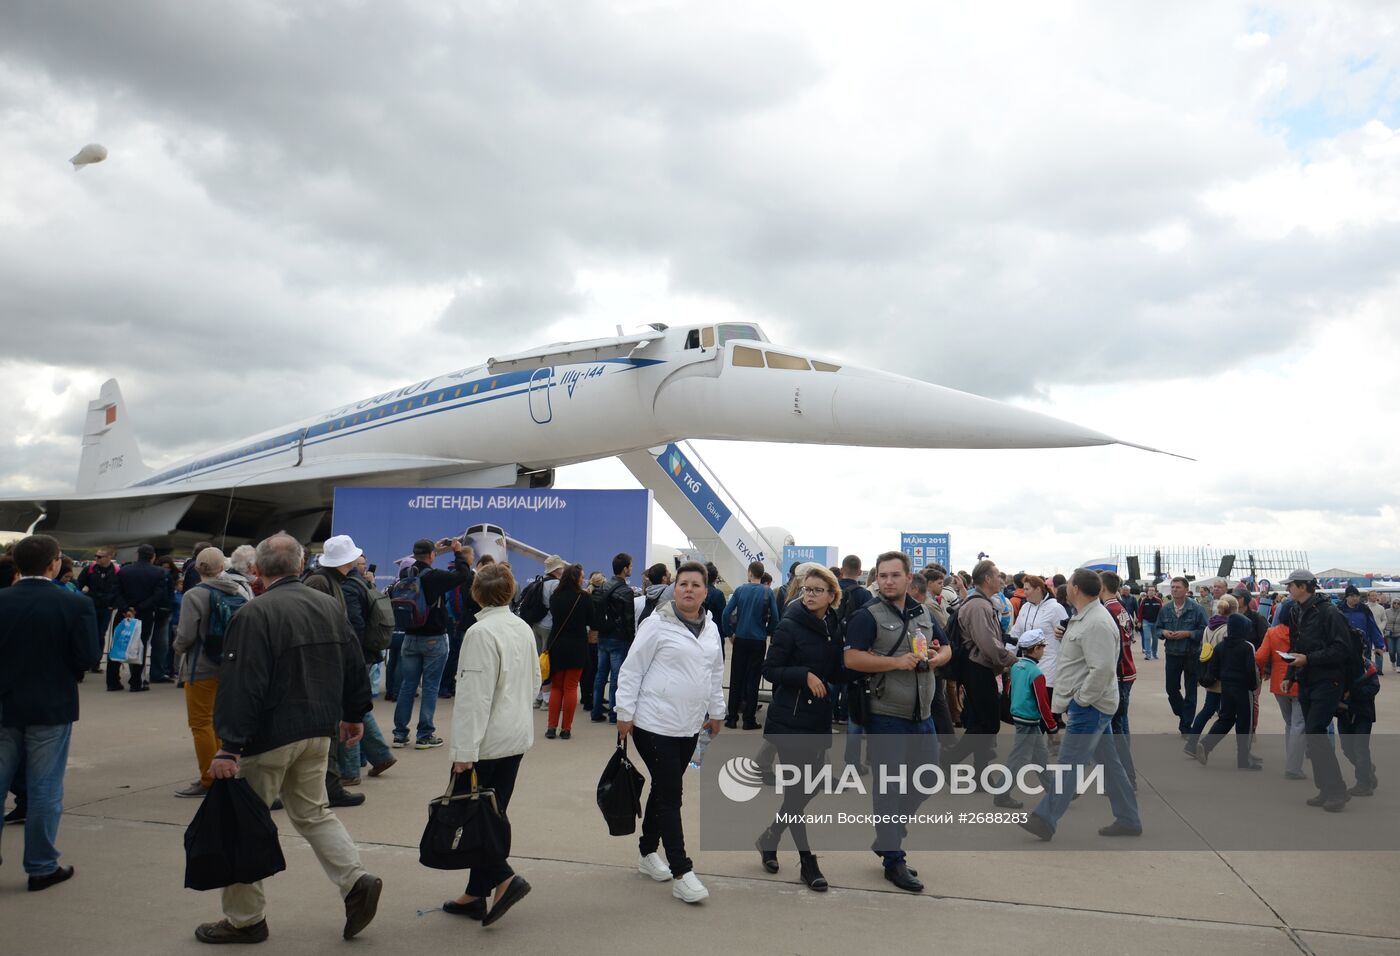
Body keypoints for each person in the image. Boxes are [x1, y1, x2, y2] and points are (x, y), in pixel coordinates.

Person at [198, 533, 380, 944]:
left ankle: (246, 920)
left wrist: (228, 745)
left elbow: (242, 684)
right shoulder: (329, 607)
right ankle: (355, 880)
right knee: (313, 812)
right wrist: (354, 716)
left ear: (257, 571)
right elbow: (354, 663)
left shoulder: (254, 614)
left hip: (269, 737)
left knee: (244, 825)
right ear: (300, 567)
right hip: (318, 731)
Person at [616, 561, 725, 904]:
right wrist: (624, 712)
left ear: (706, 592)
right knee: (671, 793)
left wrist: (717, 712)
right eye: (683, 584)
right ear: (673, 589)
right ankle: (682, 871)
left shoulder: (711, 628)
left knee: (664, 790)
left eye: (696, 584)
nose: (689, 589)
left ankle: (648, 852)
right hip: (652, 723)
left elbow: (714, 672)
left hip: (689, 725)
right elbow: (632, 669)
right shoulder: (656, 625)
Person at [843, 551, 948, 893]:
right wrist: (895, 663)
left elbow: (947, 648)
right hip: (887, 715)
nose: (888, 581)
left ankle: (889, 833)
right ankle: (893, 859)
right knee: (888, 789)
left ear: (908, 578)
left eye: (894, 575)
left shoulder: (923, 612)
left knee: (929, 778)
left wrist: (935, 660)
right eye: (883, 575)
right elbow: (851, 658)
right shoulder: (867, 615)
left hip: (923, 713)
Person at [0, 534, 101, 891]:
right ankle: (41, 866)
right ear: (53, 563)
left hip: (4, 703)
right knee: (44, 787)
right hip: (50, 704)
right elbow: (88, 656)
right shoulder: (73, 604)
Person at [441, 561, 539, 925]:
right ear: (511, 591)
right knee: (491, 815)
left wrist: (464, 752)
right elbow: (533, 682)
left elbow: (473, 699)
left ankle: (503, 877)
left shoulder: (480, 634)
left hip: (486, 742)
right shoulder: (522, 628)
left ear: (475, 593)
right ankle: (474, 893)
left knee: (478, 819)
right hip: (515, 736)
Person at [1019, 569, 1140, 842]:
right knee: (1110, 765)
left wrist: (1081, 700)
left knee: (1069, 764)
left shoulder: (1096, 621)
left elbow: (1102, 670)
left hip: (1091, 705)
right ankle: (1129, 818)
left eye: (1070, 583)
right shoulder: (1087, 617)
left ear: (1075, 588)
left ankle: (1045, 818)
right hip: (1093, 703)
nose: (1066, 587)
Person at [755, 565, 845, 891]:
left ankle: (771, 836)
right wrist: (804, 674)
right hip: (789, 720)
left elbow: (836, 670)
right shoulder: (789, 625)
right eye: (806, 589)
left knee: (811, 786)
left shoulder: (834, 625)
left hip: (817, 719)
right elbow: (770, 669)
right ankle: (808, 862)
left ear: (831, 596)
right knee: (797, 790)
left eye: (817, 590)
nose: (809, 595)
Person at [306, 535, 395, 800]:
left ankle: (348, 772)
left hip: (340, 657)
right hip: (340, 658)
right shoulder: (334, 583)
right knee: (349, 712)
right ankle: (358, 766)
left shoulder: (332, 582)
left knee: (348, 712)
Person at [170, 546, 245, 798]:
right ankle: (225, 772)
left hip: (200, 668)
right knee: (220, 724)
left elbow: (186, 635)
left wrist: (177, 648)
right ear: (222, 568)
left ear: (196, 568)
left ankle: (208, 778)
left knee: (201, 724)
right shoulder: (236, 591)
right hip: (229, 667)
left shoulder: (194, 595)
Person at [1281, 569, 1352, 812]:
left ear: (1303, 586)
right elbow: (1295, 646)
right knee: (1314, 736)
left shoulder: (1329, 612)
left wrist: (1308, 660)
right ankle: (1326, 788)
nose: (1288, 589)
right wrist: (1290, 675)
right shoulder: (1296, 611)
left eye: (1291, 585)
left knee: (1315, 732)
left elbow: (1342, 649)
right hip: (1307, 679)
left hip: (1328, 681)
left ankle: (1337, 791)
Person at [392, 537, 473, 749]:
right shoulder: (435, 577)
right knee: (430, 686)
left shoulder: (406, 574)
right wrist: (457, 552)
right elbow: (463, 575)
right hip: (433, 640)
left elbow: (416, 561)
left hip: (409, 637)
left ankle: (400, 734)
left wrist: (434, 548)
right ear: (431, 556)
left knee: (407, 686)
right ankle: (424, 734)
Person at [946, 560, 1017, 785]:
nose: (1001, 580)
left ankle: (979, 775)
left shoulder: (981, 603)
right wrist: (1011, 660)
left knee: (980, 722)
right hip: (978, 667)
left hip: (978, 666)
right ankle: (948, 759)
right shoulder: (979, 606)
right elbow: (987, 643)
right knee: (989, 723)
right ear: (987, 579)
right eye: (997, 576)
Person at [1195, 613, 1264, 770]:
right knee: (1244, 724)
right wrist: (1253, 686)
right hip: (1243, 689)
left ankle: (1206, 745)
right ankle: (1243, 760)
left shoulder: (1221, 647)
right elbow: (1251, 671)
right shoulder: (1247, 647)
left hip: (1226, 687)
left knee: (1225, 719)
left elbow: (1214, 669)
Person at [722, 561, 781, 729]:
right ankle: (749, 719)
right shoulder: (767, 592)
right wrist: (767, 631)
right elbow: (775, 618)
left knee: (736, 678)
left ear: (749, 573)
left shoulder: (740, 590)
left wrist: (730, 633)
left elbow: (726, 613)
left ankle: (732, 717)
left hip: (740, 639)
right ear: (762, 575)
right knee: (753, 680)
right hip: (758, 641)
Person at [1004, 629, 1056, 808]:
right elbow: (1043, 704)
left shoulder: (1016, 667)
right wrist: (1052, 727)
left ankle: (1057, 791)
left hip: (1020, 717)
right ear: (1035, 649)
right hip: (1029, 720)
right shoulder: (1037, 674)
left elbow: (1009, 690)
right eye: (1042, 647)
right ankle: (1002, 794)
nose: (1044, 650)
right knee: (1018, 759)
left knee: (1040, 757)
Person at [544, 564, 591, 740]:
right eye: (582, 576)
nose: (583, 579)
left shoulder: (555, 596)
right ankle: (566, 729)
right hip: (577, 645)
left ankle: (551, 727)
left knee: (556, 687)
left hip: (556, 644)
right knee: (571, 687)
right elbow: (592, 621)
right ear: (576, 578)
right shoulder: (584, 597)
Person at [110, 544, 166, 692]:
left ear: (137, 555)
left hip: (123, 613)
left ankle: (112, 681)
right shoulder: (159, 572)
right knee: (140, 646)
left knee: (117, 645)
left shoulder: (124, 570)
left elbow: (116, 591)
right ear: (153, 556)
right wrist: (139, 608)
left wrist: (126, 608)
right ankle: (136, 682)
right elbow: (158, 595)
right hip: (144, 614)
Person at [1009, 575, 1068, 714]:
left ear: (1038, 589)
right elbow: (1015, 634)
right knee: (1029, 710)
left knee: (1043, 711)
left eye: (1027, 589)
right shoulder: (1025, 607)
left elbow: (1067, 637)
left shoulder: (1056, 608)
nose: (1024, 592)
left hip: (1048, 668)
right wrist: (1008, 656)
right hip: (1027, 667)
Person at [1158, 576, 1209, 736]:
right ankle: (1183, 713)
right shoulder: (1166, 609)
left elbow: (1204, 631)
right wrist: (1164, 632)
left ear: (1186, 590)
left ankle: (1186, 726)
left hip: (1191, 655)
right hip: (1172, 653)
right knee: (1171, 689)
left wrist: (1188, 633)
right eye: (1173, 587)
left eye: (1178, 587)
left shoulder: (1197, 609)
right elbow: (1157, 628)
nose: (1174, 590)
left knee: (1191, 691)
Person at [1255, 621, 1307, 780]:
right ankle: (1293, 767)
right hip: (1301, 681)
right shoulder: (1306, 630)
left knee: (1290, 724)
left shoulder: (1272, 632)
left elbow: (1260, 656)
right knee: (1299, 725)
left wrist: (1265, 671)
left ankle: (1292, 761)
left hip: (1279, 682)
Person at [1185, 596, 1236, 755]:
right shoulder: (1228, 628)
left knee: (1207, 709)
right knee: (1226, 713)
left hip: (1208, 671)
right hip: (1222, 674)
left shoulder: (1210, 626)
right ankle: (1205, 744)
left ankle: (1191, 743)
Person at [591, 553, 637, 724]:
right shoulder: (626, 591)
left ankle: (596, 712)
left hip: (603, 636)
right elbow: (629, 619)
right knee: (617, 678)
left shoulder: (602, 587)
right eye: (630, 566)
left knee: (600, 675)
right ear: (625, 569)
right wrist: (632, 639)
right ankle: (613, 714)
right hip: (619, 639)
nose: (631, 568)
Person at [78, 548, 119, 669]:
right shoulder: (90, 569)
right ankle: (87, 660)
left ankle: (96, 661)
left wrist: (114, 604)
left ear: (109, 557)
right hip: (91, 606)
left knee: (101, 634)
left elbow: (119, 588)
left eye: (100, 557)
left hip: (106, 607)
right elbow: (79, 584)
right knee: (90, 633)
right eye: (96, 556)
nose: (96, 559)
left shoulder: (116, 571)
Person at [1340, 586, 1385, 677]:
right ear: (1347, 597)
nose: (1355, 598)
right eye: (1352, 596)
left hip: (1363, 646)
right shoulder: (1339, 609)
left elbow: (1373, 627)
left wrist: (1379, 645)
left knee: (1361, 673)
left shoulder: (1364, 609)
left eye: (1357, 596)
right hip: (1344, 645)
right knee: (1346, 673)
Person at [1138, 585, 1163, 660]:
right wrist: (1139, 621)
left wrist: (1161, 622)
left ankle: (1154, 653)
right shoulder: (1144, 600)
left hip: (1156, 622)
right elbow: (1140, 611)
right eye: (1150, 590)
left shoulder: (1158, 601)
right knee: (1147, 637)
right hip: (1146, 621)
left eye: (1153, 590)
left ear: (1155, 592)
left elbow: (1162, 612)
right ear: (1147, 592)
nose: (1151, 592)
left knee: (1155, 638)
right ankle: (1148, 654)